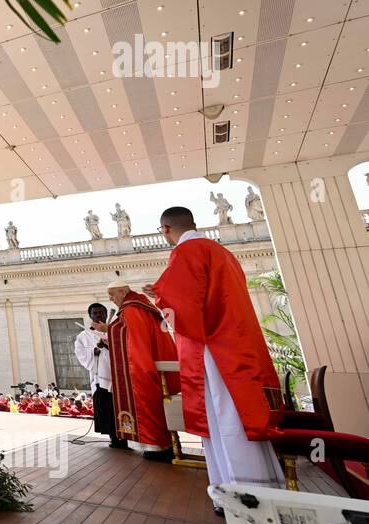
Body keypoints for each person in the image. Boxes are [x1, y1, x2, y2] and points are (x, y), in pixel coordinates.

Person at [146, 206, 284, 498]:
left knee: (225, 414)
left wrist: (159, 295)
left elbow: (184, 303)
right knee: (236, 411)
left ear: (166, 229)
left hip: (214, 347)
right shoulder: (222, 252)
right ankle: (255, 485)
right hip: (236, 342)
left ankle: (242, 493)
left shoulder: (186, 252)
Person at [105, 280, 175, 461]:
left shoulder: (131, 310)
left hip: (142, 366)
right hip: (157, 363)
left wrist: (108, 331)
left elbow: (133, 341)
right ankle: (166, 444)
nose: (111, 299)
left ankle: (156, 447)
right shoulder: (142, 305)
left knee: (147, 404)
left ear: (122, 292)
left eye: (112, 295)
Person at [74, 303, 124, 448]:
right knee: (108, 410)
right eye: (95, 313)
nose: (99, 315)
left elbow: (124, 348)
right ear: (90, 316)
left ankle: (125, 436)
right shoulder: (83, 336)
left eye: (102, 313)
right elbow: (81, 355)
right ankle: (114, 438)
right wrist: (95, 350)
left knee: (120, 408)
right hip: (100, 377)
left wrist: (109, 345)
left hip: (117, 376)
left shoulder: (113, 332)